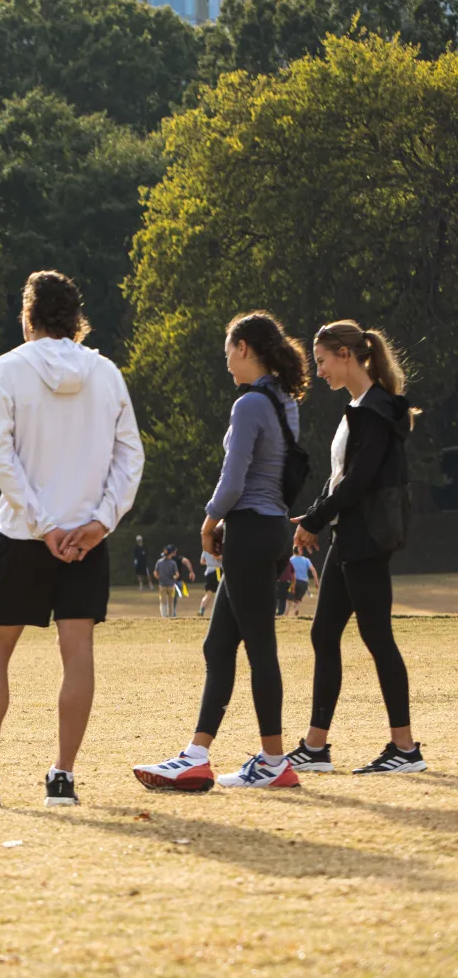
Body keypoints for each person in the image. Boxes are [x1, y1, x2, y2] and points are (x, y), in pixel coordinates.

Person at [0, 271, 143, 809]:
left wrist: (42, 523)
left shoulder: (2, 371)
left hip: (26, 534)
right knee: (77, 651)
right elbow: (131, 456)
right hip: (87, 537)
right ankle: (63, 778)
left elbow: (2, 458)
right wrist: (101, 521)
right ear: (77, 319)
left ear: (27, 316)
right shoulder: (106, 373)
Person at [134, 311, 308, 793]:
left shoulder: (249, 404)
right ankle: (197, 755)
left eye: (229, 351)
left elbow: (233, 480)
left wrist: (209, 521)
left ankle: (274, 762)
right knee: (219, 645)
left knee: (261, 648)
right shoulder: (283, 402)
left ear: (245, 347)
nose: (226, 362)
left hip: (249, 531)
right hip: (270, 529)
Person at [287, 321, 424, 775]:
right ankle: (316, 747)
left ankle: (404, 749)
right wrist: (313, 516)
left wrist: (314, 520)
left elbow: (360, 482)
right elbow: (339, 480)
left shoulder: (376, 410)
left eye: (322, 360)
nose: (319, 369)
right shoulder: (359, 407)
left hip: (365, 540)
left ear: (346, 355)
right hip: (349, 537)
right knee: (324, 634)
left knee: (376, 636)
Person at [154, 546, 182, 618]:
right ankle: (171, 616)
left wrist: (160, 578)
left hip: (162, 585)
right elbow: (177, 574)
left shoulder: (159, 562)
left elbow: (155, 573)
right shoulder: (173, 563)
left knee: (163, 602)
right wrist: (174, 578)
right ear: (171, 554)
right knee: (171, 602)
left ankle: (164, 616)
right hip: (171, 585)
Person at [199, 548, 222, 617]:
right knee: (220, 593)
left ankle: (201, 610)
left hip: (208, 571)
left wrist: (210, 562)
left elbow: (202, 561)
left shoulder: (205, 549)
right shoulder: (216, 548)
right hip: (217, 571)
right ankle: (218, 612)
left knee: (209, 593)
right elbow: (217, 557)